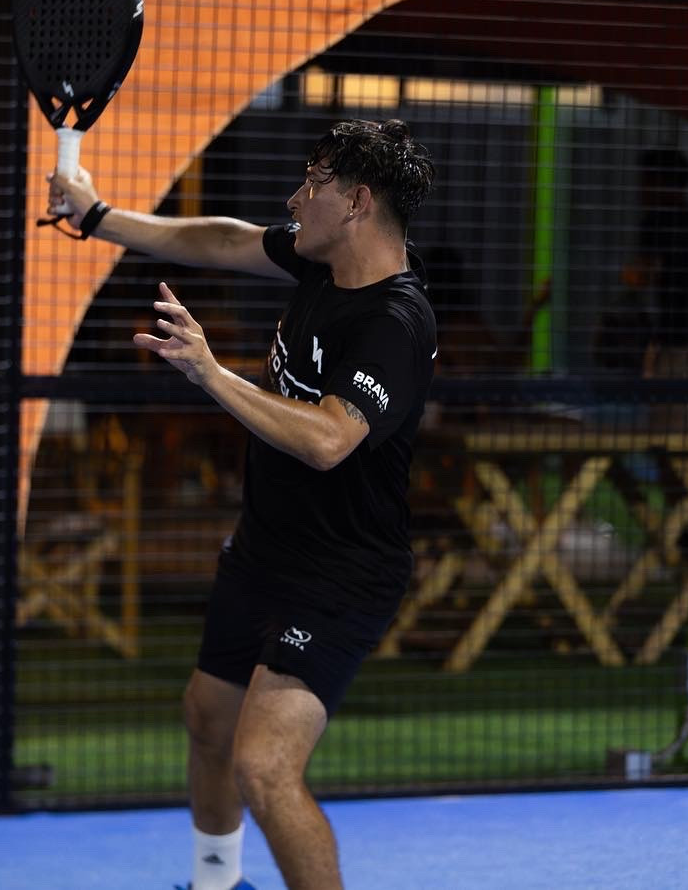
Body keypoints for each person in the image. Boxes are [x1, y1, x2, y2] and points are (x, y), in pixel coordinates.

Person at [49, 119, 437, 890]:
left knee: (263, 765)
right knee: (207, 716)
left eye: (313, 183)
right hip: (264, 546)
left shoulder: (395, 321)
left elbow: (329, 439)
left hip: (341, 574)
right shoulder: (321, 261)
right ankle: (217, 882)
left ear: (358, 202)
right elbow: (226, 239)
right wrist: (98, 217)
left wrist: (210, 372)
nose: (295, 198)